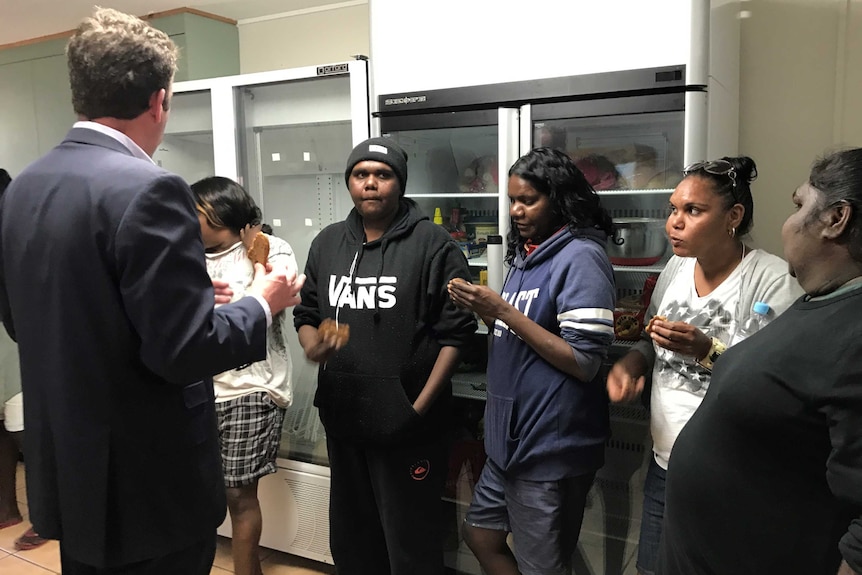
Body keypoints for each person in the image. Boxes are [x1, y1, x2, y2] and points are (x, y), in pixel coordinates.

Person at [0, 8, 304, 574]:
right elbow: (182, 352)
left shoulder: (25, 188)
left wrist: (175, 301)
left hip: (71, 469)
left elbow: (32, 318)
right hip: (143, 483)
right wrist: (262, 301)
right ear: (160, 100)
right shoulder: (150, 189)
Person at [657, 148, 862, 574]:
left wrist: (704, 349)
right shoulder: (821, 304)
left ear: (836, 219)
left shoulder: (850, 329)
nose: (788, 221)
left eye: (799, 204)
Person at [605, 155, 802, 575]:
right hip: (665, 465)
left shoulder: (770, 279)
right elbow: (648, 339)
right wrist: (632, 365)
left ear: (733, 216)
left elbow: (773, 386)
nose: (674, 222)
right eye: (673, 209)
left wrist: (705, 350)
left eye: (692, 210)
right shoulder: (677, 267)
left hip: (730, 474)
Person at [293, 136, 477, 575]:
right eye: (361, 174)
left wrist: (416, 409)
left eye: (382, 174)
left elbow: (457, 334)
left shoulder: (434, 245)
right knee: (353, 540)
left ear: (400, 183)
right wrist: (311, 343)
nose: (370, 184)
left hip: (408, 425)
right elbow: (308, 311)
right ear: (349, 183)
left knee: (409, 544)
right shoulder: (328, 243)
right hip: (344, 419)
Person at [448, 147, 617, 575]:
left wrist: (503, 311)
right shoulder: (525, 257)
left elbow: (584, 361)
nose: (516, 211)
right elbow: (527, 331)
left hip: (549, 446)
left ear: (558, 198)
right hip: (511, 444)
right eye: (511, 200)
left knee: (542, 565)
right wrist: (487, 311)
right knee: (480, 535)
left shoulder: (580, 257)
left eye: (528, 200)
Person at [191, 176, 296, 575]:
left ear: (219, 215)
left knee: (238, 492)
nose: (186, 221)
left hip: (252, 387)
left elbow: (270, 307)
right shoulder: (186, 255)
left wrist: (257, 255)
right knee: (200, 490)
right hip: (198, 388)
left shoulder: (273, 248)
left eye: (195, 214)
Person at [0, 168, 48, 552]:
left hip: (25, 331)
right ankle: (9, 509)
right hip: (14, 329)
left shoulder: (12, 200)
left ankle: (49, 514)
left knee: (26, 421)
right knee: (7, 420)